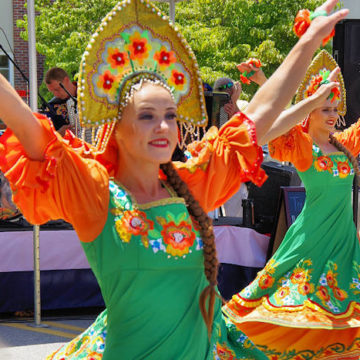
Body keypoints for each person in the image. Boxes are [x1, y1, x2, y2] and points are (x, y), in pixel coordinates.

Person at [0, 0, 347, 359]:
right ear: (117, 129)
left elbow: (260, 113)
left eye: (170, 114)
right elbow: (22, 120)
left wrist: (309, 42)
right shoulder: (97, 192)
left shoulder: (192, 184)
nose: (164, 126)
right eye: (147, 116)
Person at [223, 49, 360, 358]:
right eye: (324, 109)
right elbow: (282, 113)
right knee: (297, 305)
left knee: (342, 310)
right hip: (311, 238)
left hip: (343, 240)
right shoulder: (302, 147)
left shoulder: (346, 142)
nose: (332, 115)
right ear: (309, 111)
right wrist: (262, 80)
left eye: (335, 109)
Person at [44, 67, 83, 138]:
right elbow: (46, 138)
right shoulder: (51, 107)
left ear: (66, 80)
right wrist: (59, 134)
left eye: (57, 89)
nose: (55, 94)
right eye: (52, 91)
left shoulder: (87, 94)